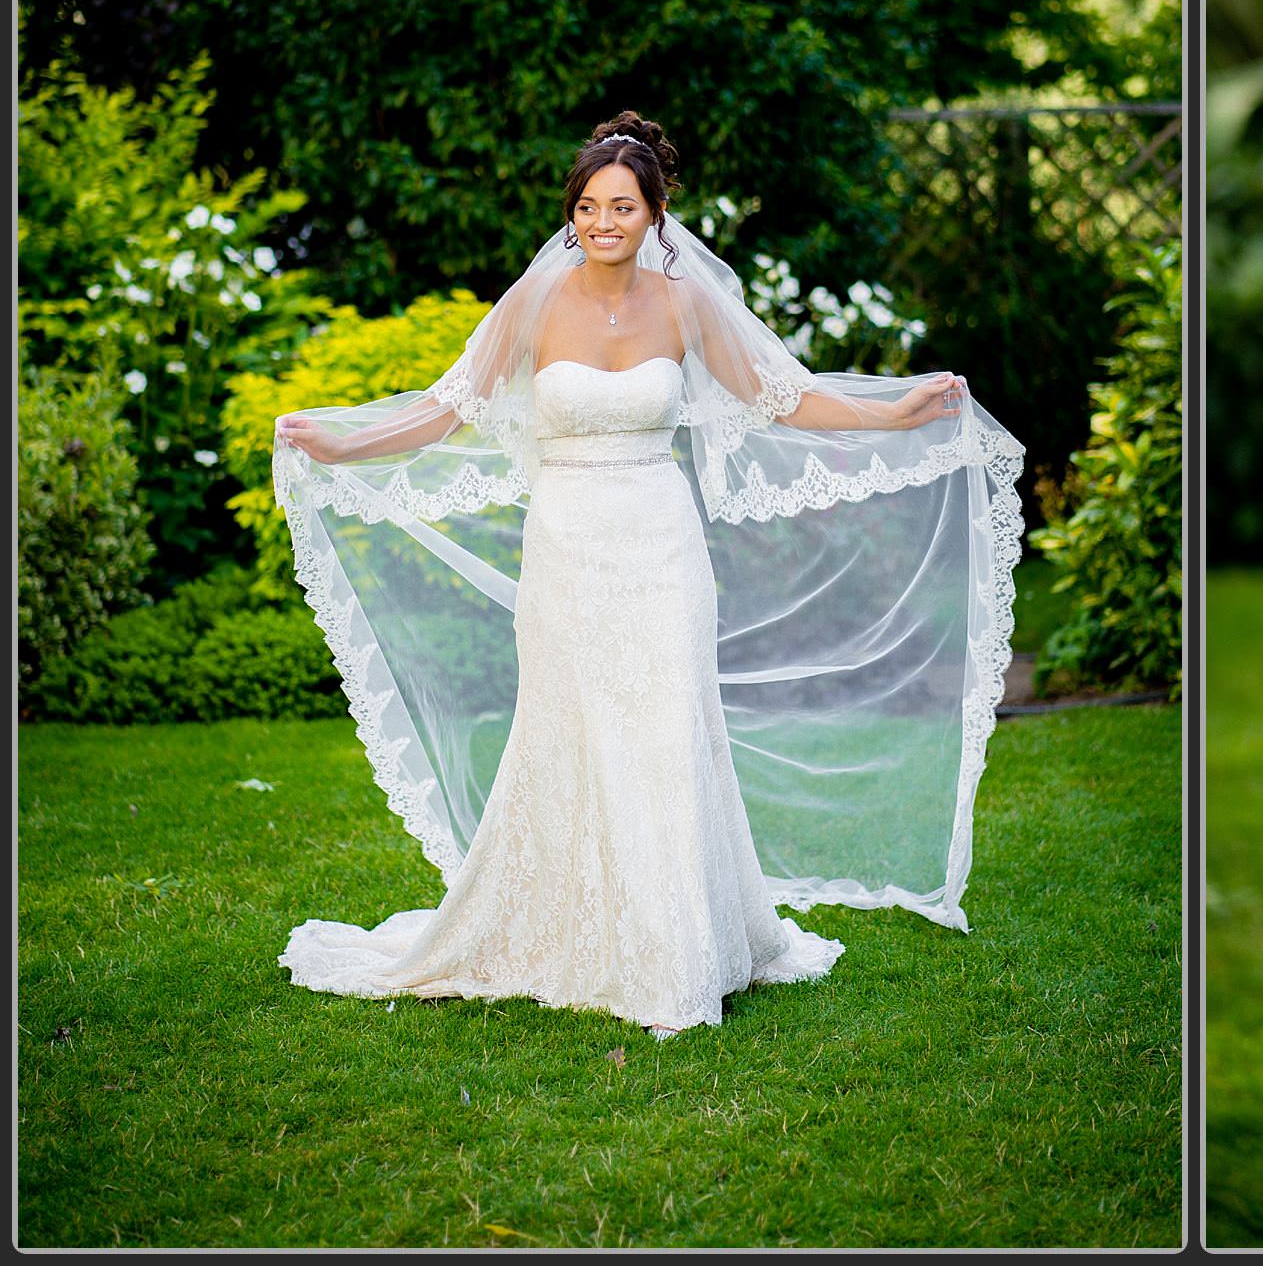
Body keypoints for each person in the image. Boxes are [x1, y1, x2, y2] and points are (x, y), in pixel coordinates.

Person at [272, 112, 1024, 1038]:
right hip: (568, 549)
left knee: (668, 729)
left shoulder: (685, 303)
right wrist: (344, 444)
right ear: (572, 216)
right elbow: (444, 410)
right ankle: (568, 927)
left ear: (656, 214)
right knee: (573, 730)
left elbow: (780, 396)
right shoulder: (534, 305)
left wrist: (896, 415)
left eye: (621, 206)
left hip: (662, 547)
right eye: (587, 207)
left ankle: (678, 948)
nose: (602, 222)